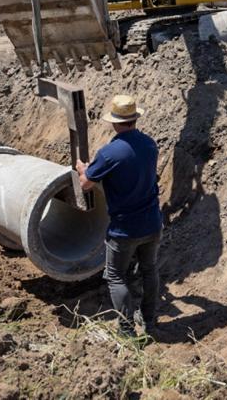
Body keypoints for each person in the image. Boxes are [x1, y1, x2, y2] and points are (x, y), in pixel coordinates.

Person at [75, 94, 163, 337]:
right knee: (150, 270)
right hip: (153, 223)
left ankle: (126, 330)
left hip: (124, 229)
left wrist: (83, 168)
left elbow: (85, 184)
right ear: (135, 119)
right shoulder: (150, 144)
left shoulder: (110, 153)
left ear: (114, 122)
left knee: (115, 276)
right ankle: (150, 321)